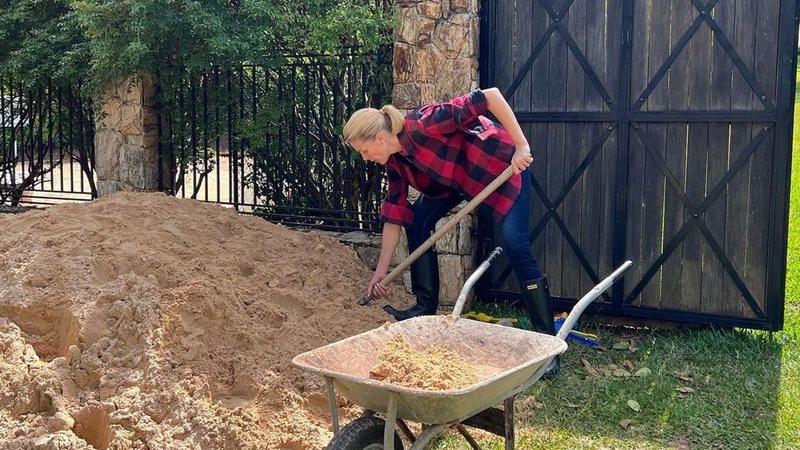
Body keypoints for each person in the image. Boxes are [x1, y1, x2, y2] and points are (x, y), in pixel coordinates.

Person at [342, 88, 559, 377]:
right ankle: (424, 307)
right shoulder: (395, 161)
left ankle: (547, 345)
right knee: (417, 221)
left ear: (379, 138)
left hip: (501, 166)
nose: (365, 158)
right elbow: (394, 215)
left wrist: (522, 146)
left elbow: (491, 95)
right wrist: (381, 271)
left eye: (364, 151)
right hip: (458, 181)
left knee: (514, 243)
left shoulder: (426, 122)